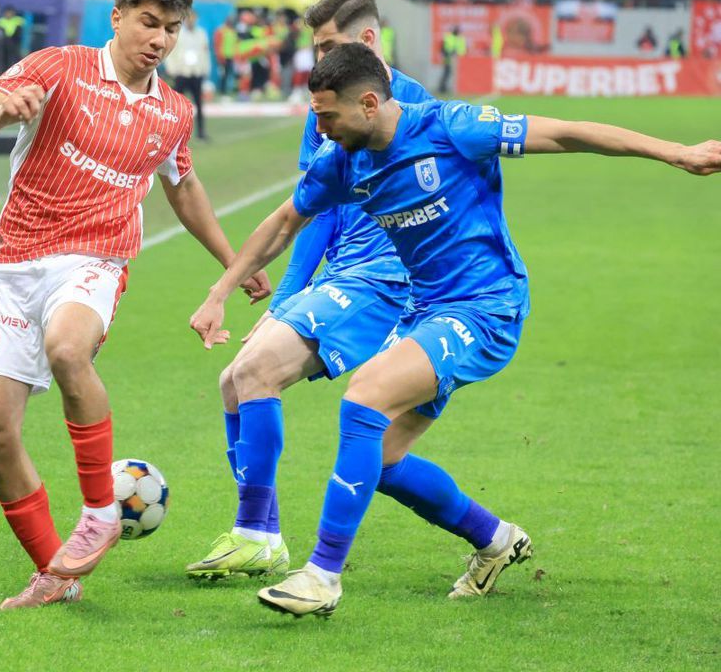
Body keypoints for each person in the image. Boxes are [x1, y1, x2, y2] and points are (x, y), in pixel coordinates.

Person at [190, 43, 721, 617]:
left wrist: (676, 152)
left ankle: (321, 576)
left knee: (364, 398)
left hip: (486, 308)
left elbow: (567, 133)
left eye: (327, 115)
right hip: (425, 312)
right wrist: (220, 292)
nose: (319, 129)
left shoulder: (452, 127)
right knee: (383, 459)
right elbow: (285, 222)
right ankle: (495, 539)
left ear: (368, 103)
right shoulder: (343, 160)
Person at [0, 0, 271, 612]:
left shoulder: (173, 111)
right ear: (118, 17)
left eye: (171, 29)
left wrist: (233, 263)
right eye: (149, 23)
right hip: (12, 265)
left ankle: (100, 510)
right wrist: (1, 110)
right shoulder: (59, 66)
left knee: (68, 349)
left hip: (95, 260)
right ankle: (55, 575)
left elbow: (183, 186)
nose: (159, 39)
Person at [186, 0, 518, 595]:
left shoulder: (407, 110)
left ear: (367, 44)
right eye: (315, 50)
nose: (319, 62)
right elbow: (308, 210)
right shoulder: (330, 105)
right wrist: (286, 294)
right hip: (354, 274)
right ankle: (493, 538)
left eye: (327, 47)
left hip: (390, 282)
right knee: (256, 391)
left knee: (266, 377)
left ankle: (276, 546)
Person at [165, 10, 210, 140]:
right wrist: (172, 69)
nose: (191, 20)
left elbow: (205, 52)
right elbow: (171, 52)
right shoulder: (178, 33)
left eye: (193, 18)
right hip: (181, 72)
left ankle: (201, 132)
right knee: (177, 106)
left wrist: (205, 69)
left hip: (196, 72)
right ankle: (174, 134)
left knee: (199, 104)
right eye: (189, 18)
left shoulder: (201, 33)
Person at [439, 25, 466, 94]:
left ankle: (456, 88)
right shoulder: (448, 37)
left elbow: (463, 50)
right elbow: (443, 48)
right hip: (448, 59)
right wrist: (449, 52)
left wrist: (458, 53)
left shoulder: (460, 39)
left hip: (458, 60)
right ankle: (442, 88)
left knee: (454, 75)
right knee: (447, 73)